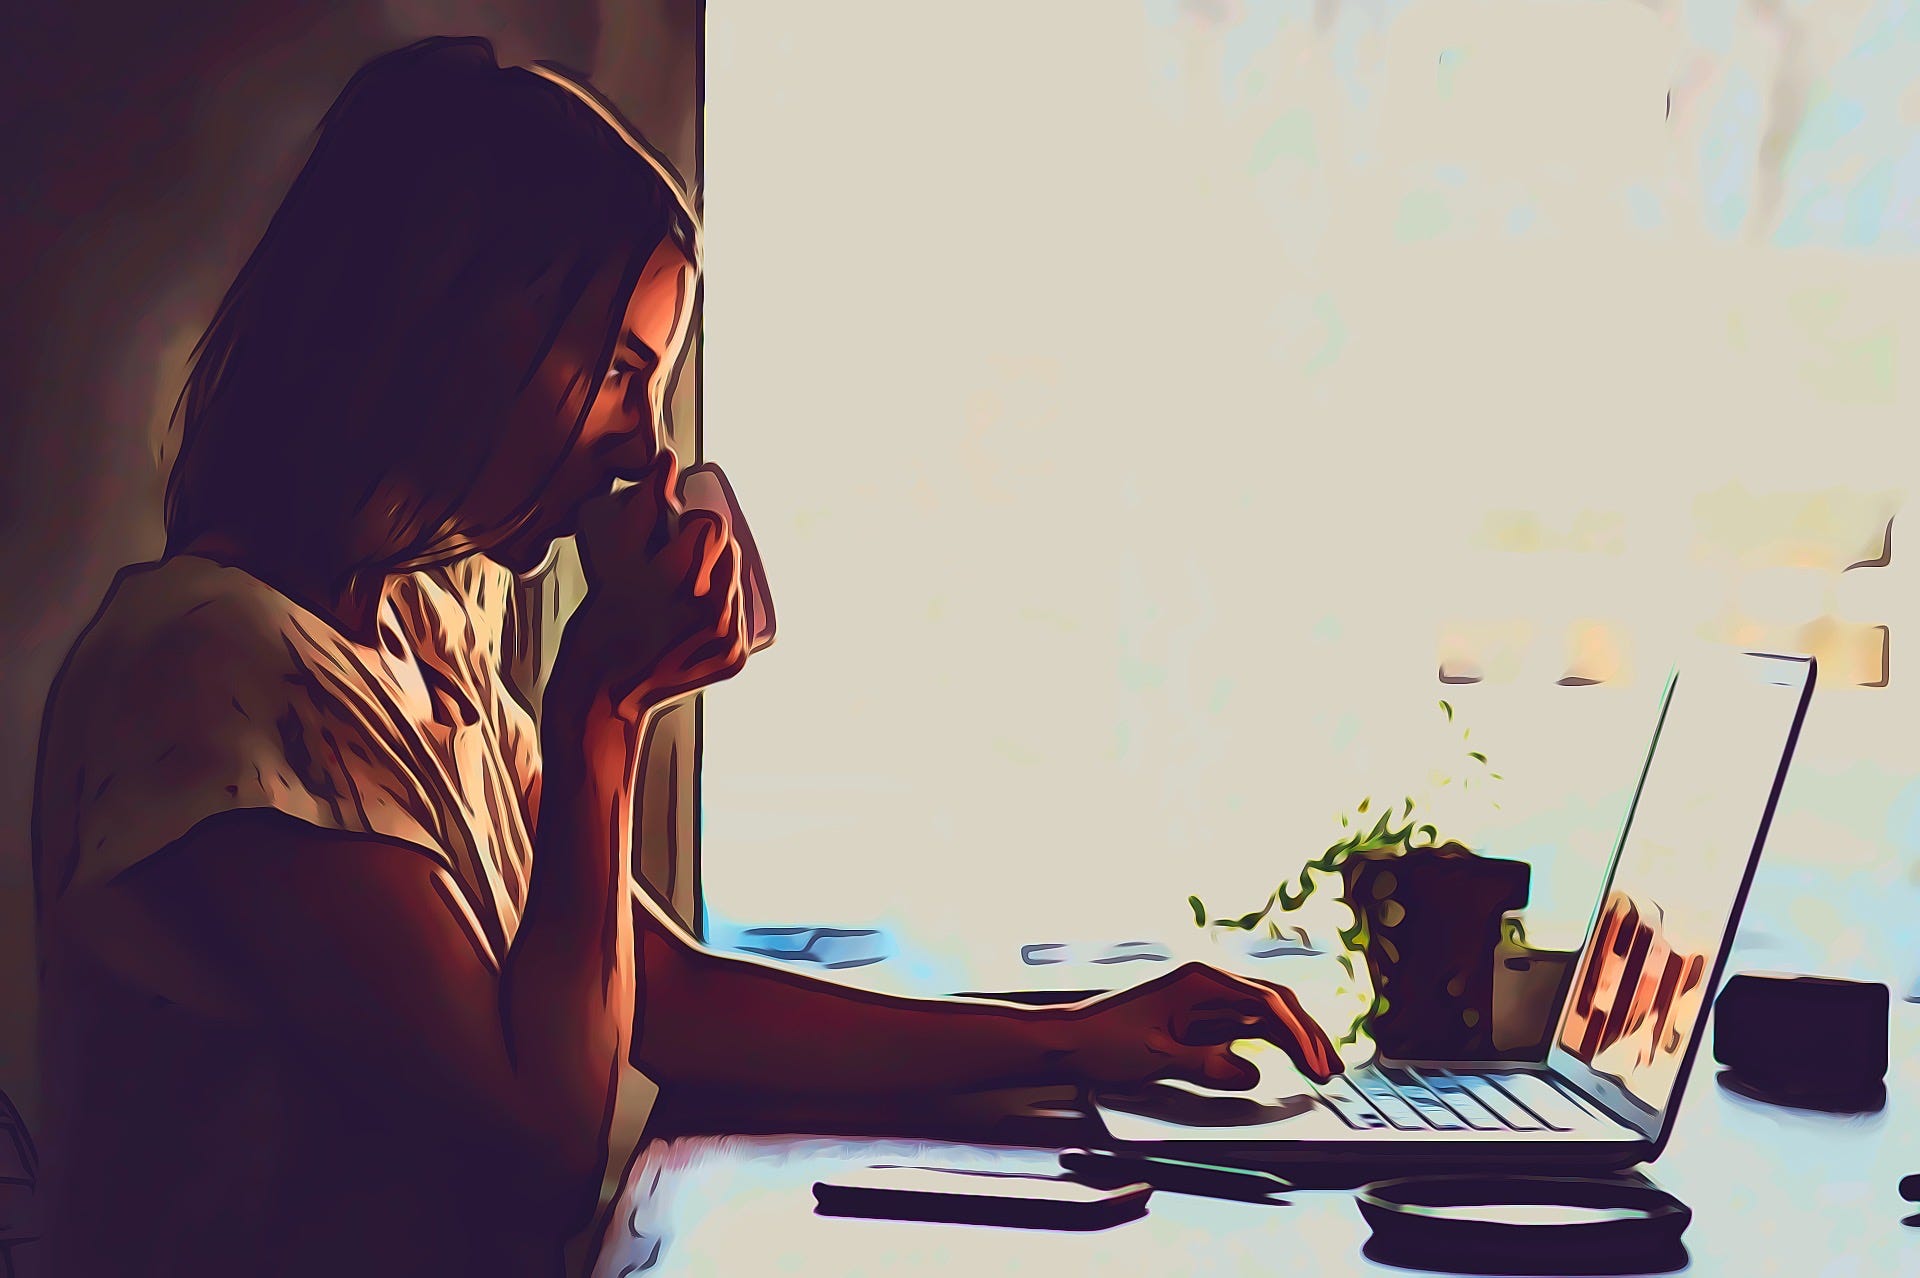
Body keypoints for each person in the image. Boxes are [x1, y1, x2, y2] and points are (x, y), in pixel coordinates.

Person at [31, 37, 1339, 1277]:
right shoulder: (204, 670)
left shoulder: (417, 635)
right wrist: (602, 704)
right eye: (616, 370)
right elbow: (538, 1149)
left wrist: (1079, 1037)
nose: (646, 450)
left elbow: (653, 991)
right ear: (447, 328)